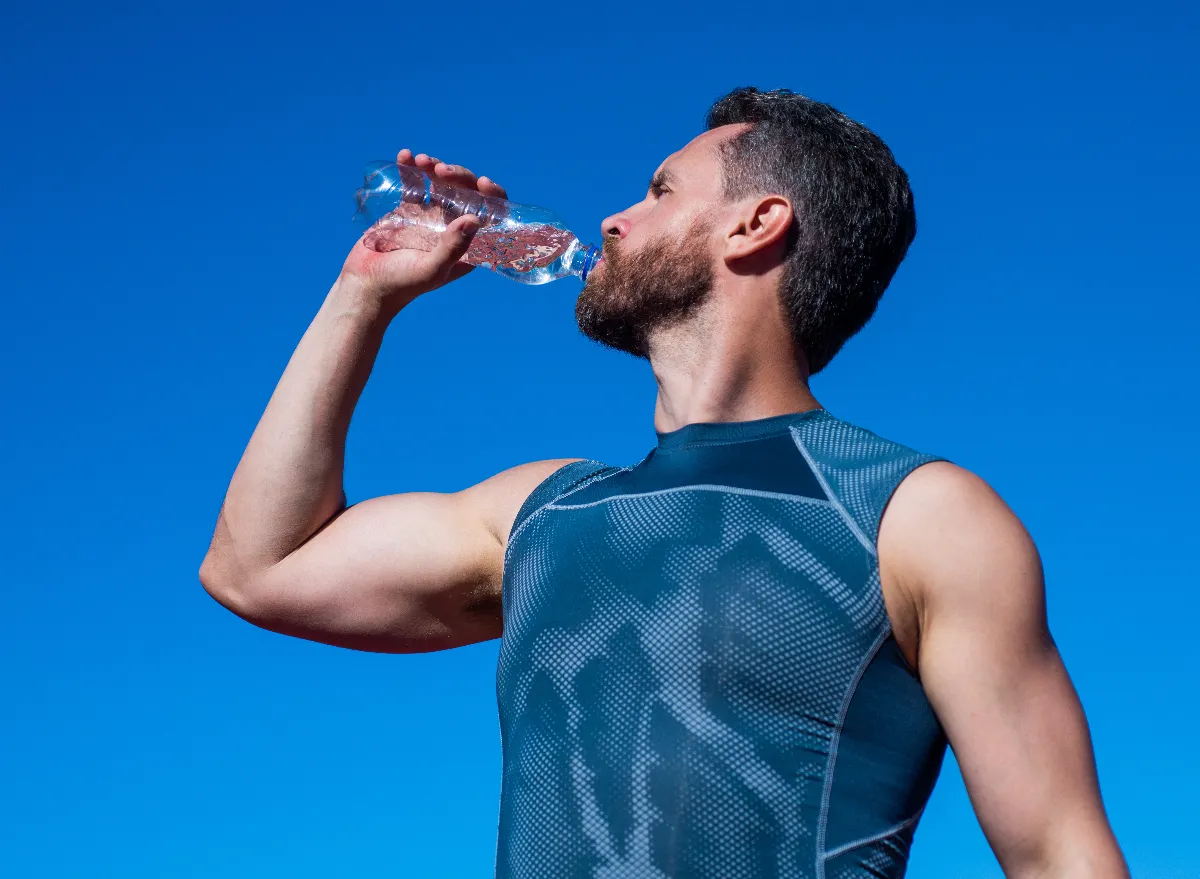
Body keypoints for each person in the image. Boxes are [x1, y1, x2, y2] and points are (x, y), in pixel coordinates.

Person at [199, 87, 1128, 879]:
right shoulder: (541, 509)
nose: (615, 219)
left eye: (659, 189)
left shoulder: (916, 514)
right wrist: (365, 295)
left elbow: (1058, 850)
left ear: (756, 223)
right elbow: (259, 566)